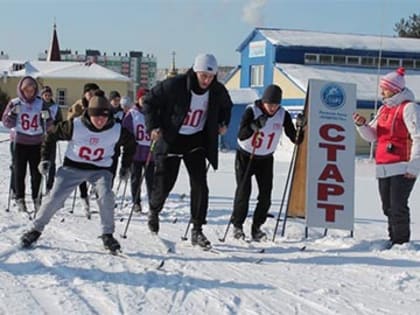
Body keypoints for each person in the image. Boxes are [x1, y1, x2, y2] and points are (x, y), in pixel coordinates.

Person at [20, 91, 136, 252]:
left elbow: (131, 144)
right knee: (55, 197)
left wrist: (125, 165)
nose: (101, 120)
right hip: (73, 167)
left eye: (104, 116)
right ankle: (35, 229)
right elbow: (50, 135)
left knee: (106, 196)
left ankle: (108, 235)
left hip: (101, 169)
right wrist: (45, 158)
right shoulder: (75, 125)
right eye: (97, 116)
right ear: (89, 114)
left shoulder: (116, 129)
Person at [144, 53, 233, 248]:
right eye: (203, 76)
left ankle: (197, 229)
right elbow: (149, 101)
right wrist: (153, 126)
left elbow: (227, 107)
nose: (207, 80)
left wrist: (223, 122)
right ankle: (154, 209)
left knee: (200, 185)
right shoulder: (174, 85)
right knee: (166, 183)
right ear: (195, 72)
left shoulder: (217, 90)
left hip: (196, 141)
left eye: (211, 77)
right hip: (172, 139)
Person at [353, 67, 419, 247]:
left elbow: (418, 137)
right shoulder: (383, 109)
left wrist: (414, 166)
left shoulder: (409, 108)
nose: (382, 92)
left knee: (398, 206)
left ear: (395, 89)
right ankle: (393, 239)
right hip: (383, 166)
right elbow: (372, 136)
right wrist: (362, 125)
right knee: (387, 207)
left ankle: (401, 242)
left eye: (385, 88)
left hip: (403, 165)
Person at [229, 84, 305, 241]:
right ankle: (237, 225)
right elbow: (241, 135)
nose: (272, 108)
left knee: (266, 195)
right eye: (269, 104)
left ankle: (257, 227)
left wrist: (301, 127)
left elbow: (295, 138)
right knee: (244, 192)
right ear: (263, 102)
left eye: (276, 105)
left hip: (266, 158)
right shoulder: (252, 110)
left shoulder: (282, 114)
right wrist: (254, 126)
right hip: (246, 156)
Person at [1, 76, 53, 213]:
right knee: (19, 171)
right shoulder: (15, 103)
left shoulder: (41, 103)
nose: (29, 92)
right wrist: (12, 114)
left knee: (36, 173)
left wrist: (46, 119)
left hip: (36, 141)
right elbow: (6, 122)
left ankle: (37, 198)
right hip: (19, 141)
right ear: (21, 90)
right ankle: (20, 199)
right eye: (26, 90)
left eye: (32, 89)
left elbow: (49, 124)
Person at [67, 83, 100, 212]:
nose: (91, 95)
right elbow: (70, 120)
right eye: (89, 92)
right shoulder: (78, 105)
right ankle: (84, 196)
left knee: (96, 169)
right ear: (85, 93)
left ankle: (97, 194)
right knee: (80, 170)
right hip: (81, 142)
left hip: (96, 143)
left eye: (94, 92)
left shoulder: (99, 104)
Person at [122, 88, 154, 212]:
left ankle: (152, 202)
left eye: (147, 99)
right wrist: (128, 143)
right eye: (143, 99)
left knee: (151, 179)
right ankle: (136, 202)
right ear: (138, 99)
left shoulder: (153, 113)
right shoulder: (132, 113)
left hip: (150, 152)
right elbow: (125, 130)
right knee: (136, 178)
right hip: (136, 151)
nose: (145, 101)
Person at [40, 86, 64, 194]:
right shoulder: (38, 106)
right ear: (42, 96)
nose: (47, 97)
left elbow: (60, 121)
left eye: (49, 95)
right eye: (45, 95)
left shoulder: (55, 107)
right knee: (40, 160)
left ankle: (50, 185)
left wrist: (56, 128)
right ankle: (38, 184)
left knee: (52, 161)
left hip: (52, 136)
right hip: (39, 136)